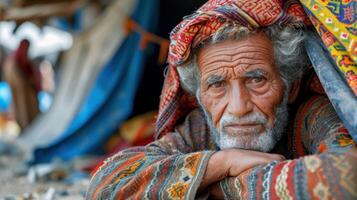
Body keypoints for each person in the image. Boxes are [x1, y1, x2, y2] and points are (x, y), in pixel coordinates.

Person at [87, 0, 357, 199]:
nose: (238, 108)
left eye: (257, 80)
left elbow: (347, 176)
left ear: (291, 86)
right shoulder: (200, 129)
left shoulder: (311, 114)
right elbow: (105, 185)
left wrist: (224, 187)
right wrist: (220, 163)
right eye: (217, 85)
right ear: (200, 95)